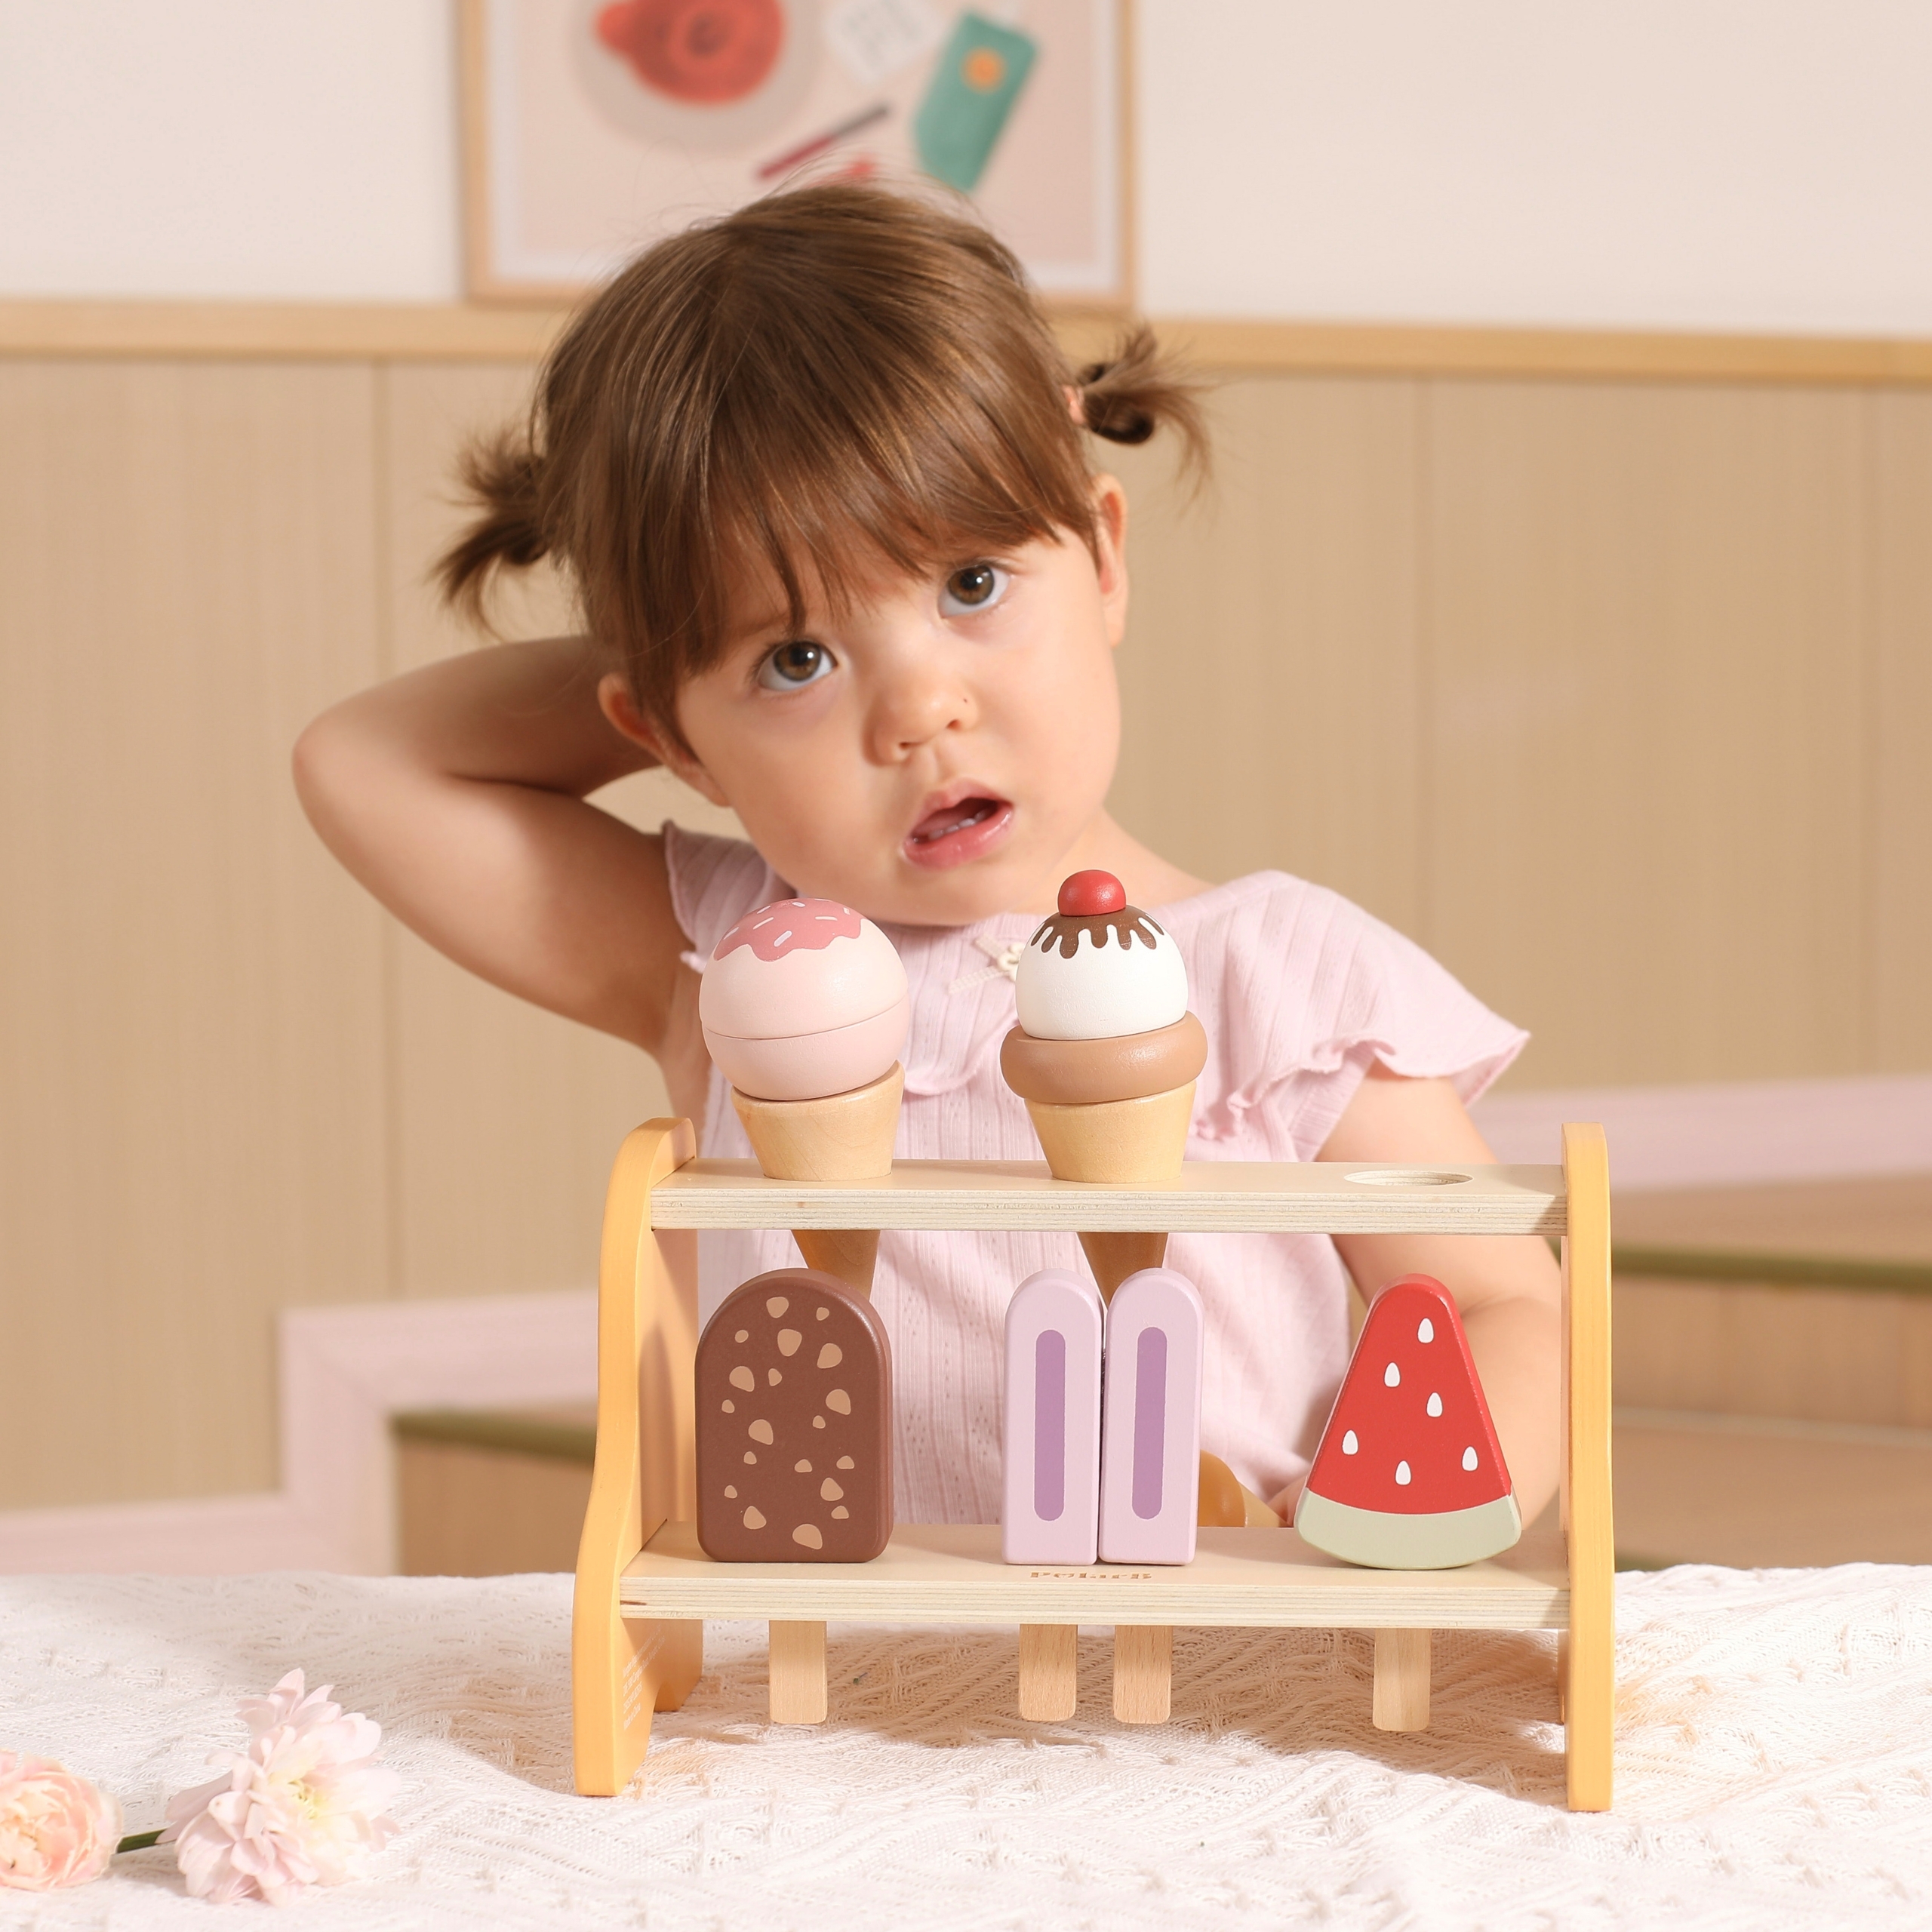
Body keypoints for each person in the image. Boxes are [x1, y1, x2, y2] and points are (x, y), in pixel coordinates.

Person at [294, 182, 1560, 1528]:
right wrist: (669, 628)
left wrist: (1382, 1519)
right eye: (798, 659)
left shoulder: (1282, 977)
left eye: (972, 584)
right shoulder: (730, 971)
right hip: (833, 1653)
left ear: (1103, 559)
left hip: (1212, 1641)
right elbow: (364, 765)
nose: (918, 709)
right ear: (668, 739)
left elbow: (1501, 1304)